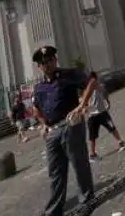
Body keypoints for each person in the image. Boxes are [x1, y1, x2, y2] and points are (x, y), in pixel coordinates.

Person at [31, 45, 96, 216]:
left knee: (79, 163)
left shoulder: (68, 74)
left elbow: (91, 82)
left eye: (51, 60)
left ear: (55, 60)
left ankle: (87, 200)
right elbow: (36, 108)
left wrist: (82, 104)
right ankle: (54, 209)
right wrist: (43, 123)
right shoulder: (39, 87)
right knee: (55, 171)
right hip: (52, 131)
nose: (48, 64)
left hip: (70, 126)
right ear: (39, 66)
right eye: (44, 62)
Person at [85, 73, 125, 161]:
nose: (94, 82)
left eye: (94, 80)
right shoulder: (86, 90)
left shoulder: (98, 87)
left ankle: (121, 142)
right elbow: (82, 100)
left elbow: (105, 93)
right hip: (92, 116)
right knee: (92, 136)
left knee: (111, 127)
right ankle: (92, 154)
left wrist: (107, 101)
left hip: (102, 112)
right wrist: (84, 108)